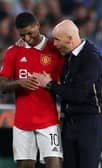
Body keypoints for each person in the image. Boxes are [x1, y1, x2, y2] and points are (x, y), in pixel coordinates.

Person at [34, 19, 102, 168]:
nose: (54, 44)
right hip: (70, 123)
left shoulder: (90, 58)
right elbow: (44, 46)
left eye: (57, 40)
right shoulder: (68, 53)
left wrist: (49, 84)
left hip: (89, 123)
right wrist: (23, 44)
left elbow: (79, 95)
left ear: (70, 39)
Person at [0, 12, 65, 168]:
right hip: (22, 122)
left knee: (54, 164)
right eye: (23, 35)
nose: (27, 38)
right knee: (25, 166)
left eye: (30, 33)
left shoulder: (54, 49)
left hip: (49, 121)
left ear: (37, 25)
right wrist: (20, 83)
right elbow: (2, 85)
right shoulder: (13, 51)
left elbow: (65, 82)